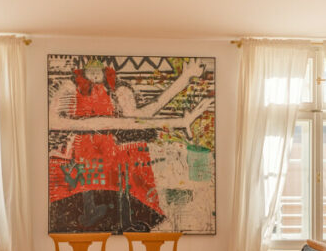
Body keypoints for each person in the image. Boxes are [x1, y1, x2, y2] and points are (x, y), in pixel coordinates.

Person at [48, 57, 213, 231]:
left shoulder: (118, 90)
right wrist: (90, 124)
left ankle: (125, 222)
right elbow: (53, 121)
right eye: (90, 67)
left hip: (109, 153)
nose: (95, 73)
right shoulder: (69, 87)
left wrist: (183, 81)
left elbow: (139, 117)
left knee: (127, 167)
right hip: (82, 153)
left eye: (99, 68)